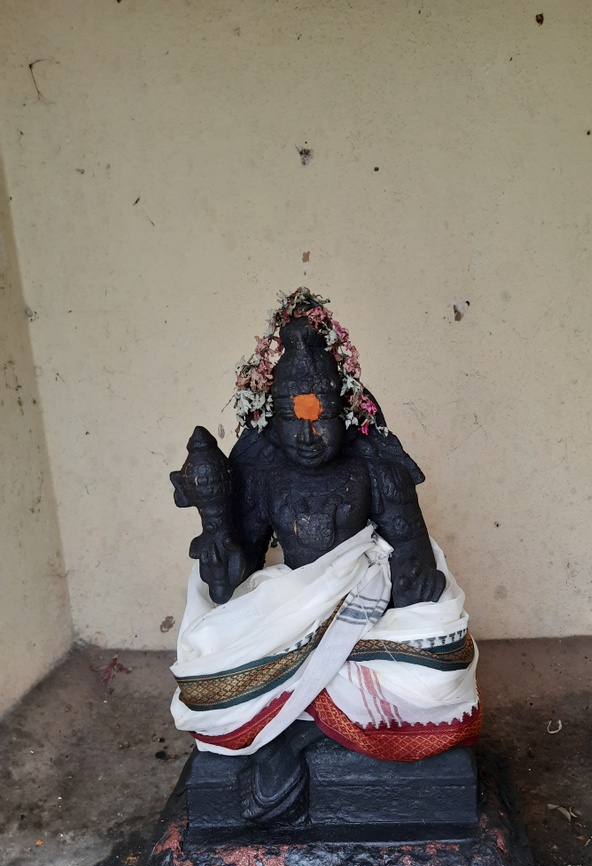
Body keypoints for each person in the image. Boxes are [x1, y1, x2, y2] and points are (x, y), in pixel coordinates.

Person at [169, 289, 480, 820]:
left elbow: (412, 553)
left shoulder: (373, 469)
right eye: (294, 420)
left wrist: (413, 580)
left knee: (439, 662)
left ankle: (292, 732)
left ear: (347, 414)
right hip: (292, 604)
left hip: (366, 604)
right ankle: (309, 722)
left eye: (323, 417)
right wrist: (219, 549)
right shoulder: (265, 474)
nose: (309, 436)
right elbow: (237, 575)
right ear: (272, 421)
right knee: (208, 664)